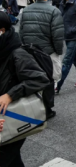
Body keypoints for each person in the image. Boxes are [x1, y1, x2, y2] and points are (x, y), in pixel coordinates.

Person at [0, 11, 50, 167]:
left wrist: (10, 94)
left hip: (11, 114)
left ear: (2, 30)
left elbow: (39, 79)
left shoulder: (17, 52)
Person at [19, 0, 64, 120]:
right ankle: (47, 109)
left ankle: (33, 107)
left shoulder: (25, 10)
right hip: (47, 51)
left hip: (30, 51)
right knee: (49, 79)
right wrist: (58, 51)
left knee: (32, 78)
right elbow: (57, 35)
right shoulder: (54, 11)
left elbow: (21, 32)